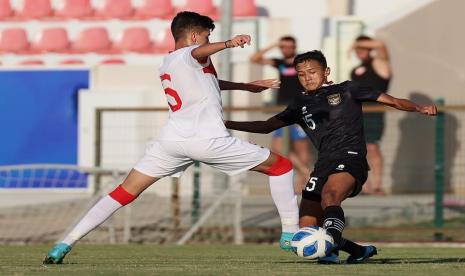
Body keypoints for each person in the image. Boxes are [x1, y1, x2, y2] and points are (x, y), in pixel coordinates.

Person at [43, 11, 299, 264]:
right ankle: (290, 232)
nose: (208, 43)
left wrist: (246, 86)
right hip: (207, 140)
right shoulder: (191, 54)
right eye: (207, 37)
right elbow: (198, 52)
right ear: (194, 36)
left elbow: (208, 81)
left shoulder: (168, 62)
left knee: (123, 191)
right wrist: (229, 43)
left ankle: (64, 243)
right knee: (282, 167)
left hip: (171, 142)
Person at [225, 50, 437, 264]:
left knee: (330, 196)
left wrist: (419, 107)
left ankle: (331, 248)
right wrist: (225, 124)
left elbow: (392, 101)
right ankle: (356, 251)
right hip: (323, 163)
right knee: (307, 230)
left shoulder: (348, 89)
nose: (307, 77)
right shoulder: (299, 104)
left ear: (326, 71)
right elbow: (265, 126)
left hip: (350, 156)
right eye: (301, 74)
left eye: (312, 72)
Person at [250, 36, 311, 192]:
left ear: (295, 47)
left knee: (301, 147)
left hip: (300, 108)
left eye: (289, 46)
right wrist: (274, 44)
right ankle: (306, 173)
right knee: (278, 147)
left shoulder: (302, 62)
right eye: (283, 47)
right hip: (283, 109)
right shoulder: (280, 63)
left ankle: (302, 182)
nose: (286, 49)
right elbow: (254, 59)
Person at [349, 35, 392, 195]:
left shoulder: (379, 64)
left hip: (374, 111)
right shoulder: (355, 70)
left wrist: (356, 42)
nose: (360, 51)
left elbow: (381, 44)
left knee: (372, 147)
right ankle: (364, 185)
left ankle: (378, 185)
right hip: (356, 112)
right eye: (357, 49)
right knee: (359, 149)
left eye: (363, 48)